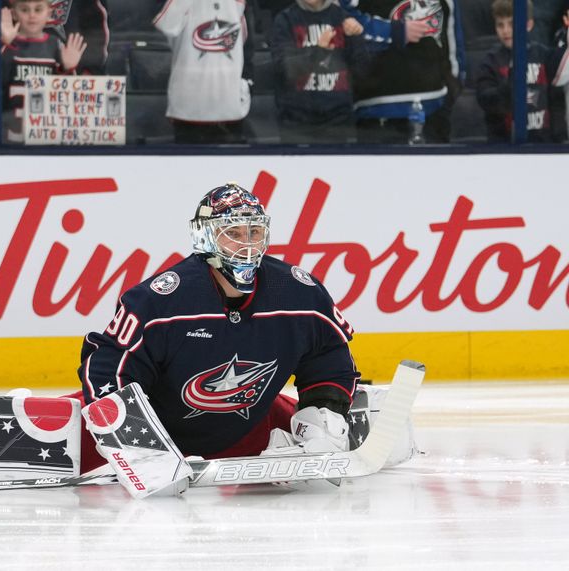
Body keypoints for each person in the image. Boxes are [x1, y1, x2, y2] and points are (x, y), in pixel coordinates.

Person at [73, 183, 362, 473]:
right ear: (205, 236)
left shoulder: (300, 293)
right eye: (232, 233)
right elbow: (109, 367)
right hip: (160, 433)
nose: (247, 243)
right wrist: (138, 445)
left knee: (306, 422)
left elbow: (328, 356)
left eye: (254, 232)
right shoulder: (160, 300)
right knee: (83, 417)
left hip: (246, 431)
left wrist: (327, 413)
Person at [0, 0, 109, 125]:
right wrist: (6, 22)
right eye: (25, 10)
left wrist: (80, 82)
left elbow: (95, 41)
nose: (32, 16)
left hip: (62, 109)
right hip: (2, 106)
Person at [343, 0, 466, 144]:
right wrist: (394, 31)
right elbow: (341, 16)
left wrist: (448, 97)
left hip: (433, 111)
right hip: (376, 112)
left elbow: (455, 49)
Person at [270, 0, 373, 144]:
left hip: (338, 121)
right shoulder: (285, 20)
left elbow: (362, 71)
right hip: (296, 122)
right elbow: (286, 70)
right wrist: (319, 51)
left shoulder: (343, 19)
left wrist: (357, 37)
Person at [154, 0, 254, 144]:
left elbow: (246, 47)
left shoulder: (239, 3)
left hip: (229, 109)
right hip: (188, 110)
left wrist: (245, 86)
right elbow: (167, 25)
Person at [475, 0, 569, 143]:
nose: (505, 30)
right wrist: (510, 85)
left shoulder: (543, 55)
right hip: (503, 146)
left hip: (544, 145)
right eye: (500, 25)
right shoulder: (490, 62)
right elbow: (486, 100)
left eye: (512, 24)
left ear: (529, 24)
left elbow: (555, 102)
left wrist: (560, 138)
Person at [1, 0, 86, 143]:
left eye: (38, 9)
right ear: (14, 14)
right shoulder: (4, 44)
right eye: (25, 10)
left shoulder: (56, 46)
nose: (32, 15)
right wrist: (6, 44)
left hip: (45, 136)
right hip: (7, 135)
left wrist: (67, 68)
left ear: (49, 14)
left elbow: (67, 100)